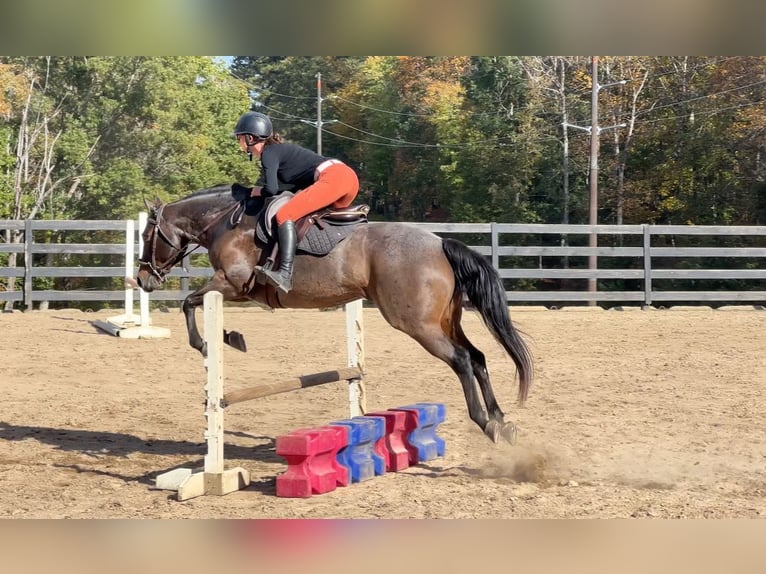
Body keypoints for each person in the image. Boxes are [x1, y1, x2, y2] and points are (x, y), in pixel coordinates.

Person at [233, 111, 360, 294]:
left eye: (240, 138)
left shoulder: (268, 154)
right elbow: (284, 189)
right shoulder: (278, 151)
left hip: (335, 178)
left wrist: (255, 191)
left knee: (284, 215)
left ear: (251, 138)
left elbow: (270, 189)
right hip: (346, 178)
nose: (239, 142)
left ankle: (284, 274)